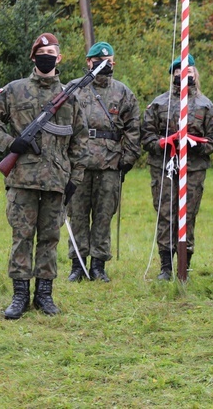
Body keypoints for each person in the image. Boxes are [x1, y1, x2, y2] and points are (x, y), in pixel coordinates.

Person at [0, 33, 88, 318]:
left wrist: (75, 180)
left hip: (57, 180)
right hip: (22, 178)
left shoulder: (71, 97)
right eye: (41, 51)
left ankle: (44, 295)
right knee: (22, 237)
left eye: (51, 51)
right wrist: (10, 143)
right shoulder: (14, 90)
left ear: (59, 58)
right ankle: (20, 296)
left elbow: (80, 141)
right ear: (33, 57)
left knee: (49, 238)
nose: (46, 55)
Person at [141, 54, 213, 280]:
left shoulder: (206, 105)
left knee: (188, 215)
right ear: (172, 76)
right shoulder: (159, 104)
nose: (182, 75)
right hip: (164, 167)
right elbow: (146, 136)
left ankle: (184, 264)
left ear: (195, 74)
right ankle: (166, 266)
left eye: (188, 71)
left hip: (193, 169)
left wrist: (197, 146)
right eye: (177, 72)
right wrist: (162, 143)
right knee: (166, 214)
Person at [66, 42, 142, 283]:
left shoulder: (123, 92)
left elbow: (133, 128)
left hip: (110, 164)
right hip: (78, 163)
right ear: (88, 62)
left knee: (103, 215)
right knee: (77, 214)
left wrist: (128, 159)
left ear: (113, 62)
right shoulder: (73, 89)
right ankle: (77, 265)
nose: (103, 64)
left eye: (107, 60)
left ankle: (98, 265)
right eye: (97, 60)